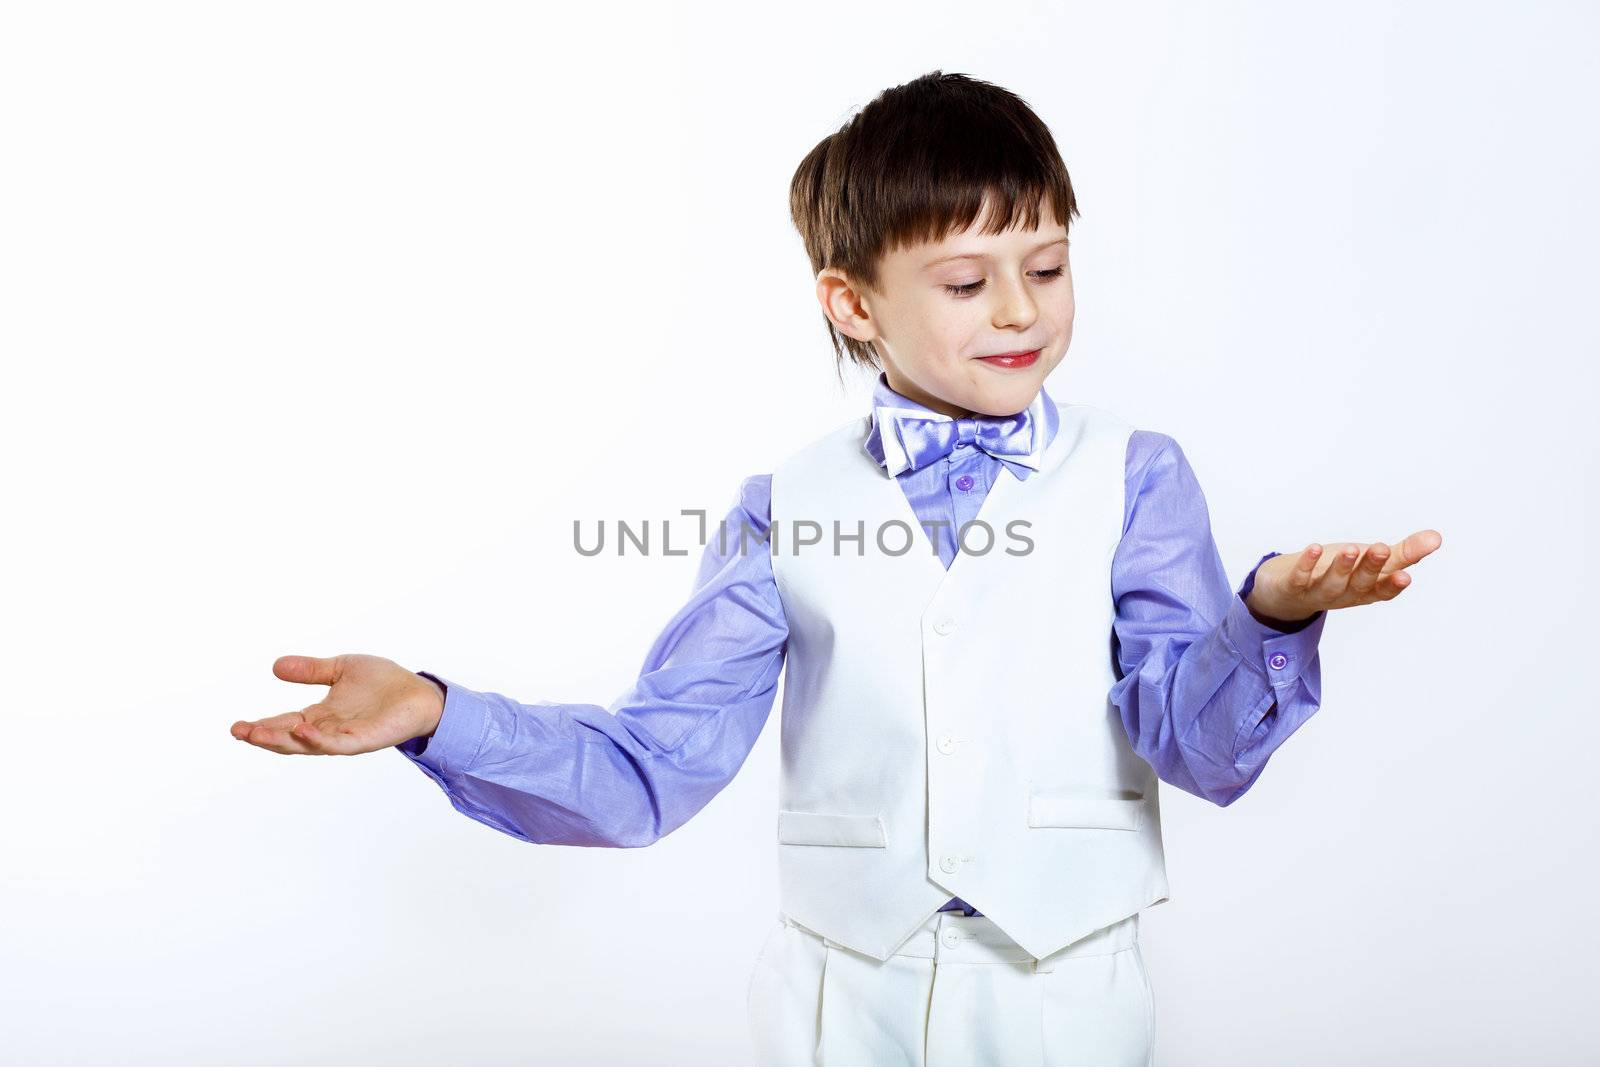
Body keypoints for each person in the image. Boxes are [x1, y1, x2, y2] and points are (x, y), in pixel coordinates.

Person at [232, 70, 1441, 1065]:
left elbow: (1193, 738)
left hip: (1068, 993)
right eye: (966, 281)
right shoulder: (784, 508)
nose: (1020, 308)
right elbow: (652, 768)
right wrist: (437, 713)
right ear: (851, 302)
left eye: (1049, 264)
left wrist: (1269, 612)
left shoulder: (1135, 474)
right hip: (832, 1004)